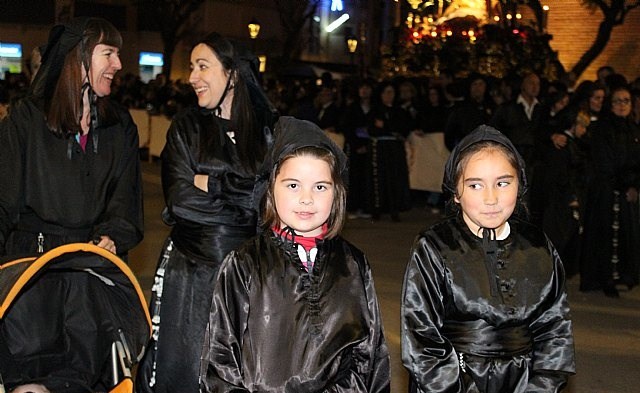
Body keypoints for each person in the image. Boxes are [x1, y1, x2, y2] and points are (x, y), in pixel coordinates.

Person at [200, 116, 390, 393]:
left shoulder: (353, 264)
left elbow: (369, 355)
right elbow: (220, 360)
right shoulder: (244, 263)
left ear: (337, 194)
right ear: (270, 189)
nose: (306, 198)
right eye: (293, 185)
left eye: (320, 187)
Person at [136, 32, 278, 393]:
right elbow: (180, 200)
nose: (193, 77)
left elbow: (270, 203)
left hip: (251, 277)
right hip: (192, 273)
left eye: (203, 66)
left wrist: (213, 183)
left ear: (232, 73)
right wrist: (243, 195)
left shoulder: (268, 132)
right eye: (191, 67)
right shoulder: (187, 126)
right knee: (184, 366)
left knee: (243, 371)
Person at [401, 125, 575, 393]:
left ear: (520, 185)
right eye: (475, 185)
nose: (491, 198)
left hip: (524, 381)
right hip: (453, 379)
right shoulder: (434, 246)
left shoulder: (538, 246)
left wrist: (541, 385)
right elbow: (422, 337)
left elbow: (555, 328)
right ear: (456, 193)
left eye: (503, 183)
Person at [0, 17, 143, 258]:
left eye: (117, 54)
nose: (118, 64)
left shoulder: (119, 125)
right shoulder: (26, 120)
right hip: (35, 265)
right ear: (79, 55)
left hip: (94, 263)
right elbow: (4, 199)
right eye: (108, 53)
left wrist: (113, 235)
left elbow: (126, 197)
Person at [580, 85, 640, 297]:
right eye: (617, 101)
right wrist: (624, 183)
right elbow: (604, 160)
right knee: (605, 234)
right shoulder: (603, 129)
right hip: (606, 189)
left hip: (627, 190)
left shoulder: (633, 129)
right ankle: (605, 278)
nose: (622, 105)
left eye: (626, 101)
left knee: (627, 233)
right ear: (610, 104)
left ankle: (624, 275)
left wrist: (633, 185)